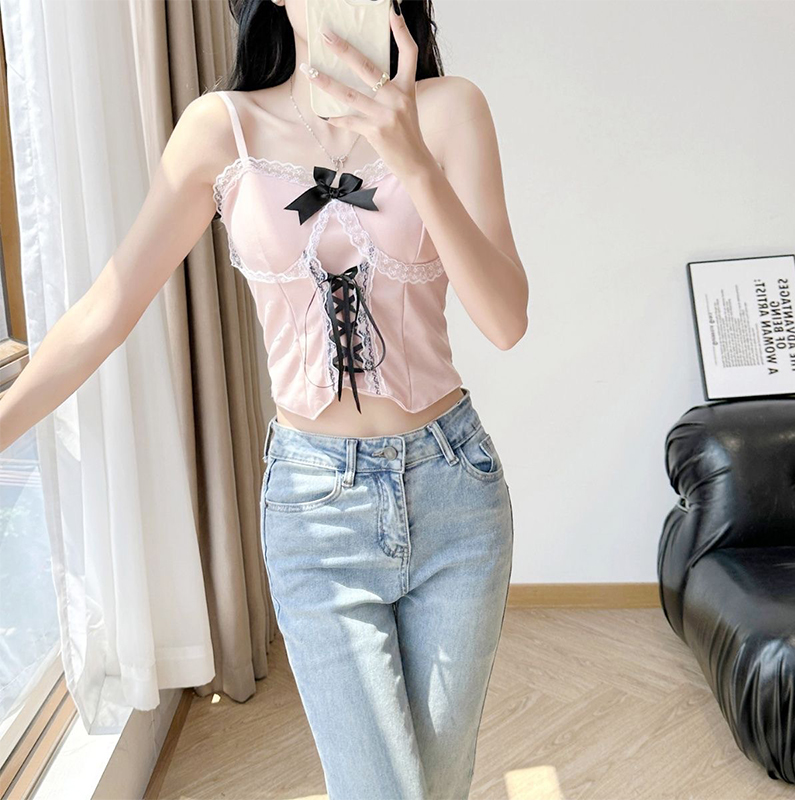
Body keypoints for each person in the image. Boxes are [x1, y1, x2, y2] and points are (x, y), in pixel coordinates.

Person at [0, 0, 528, 797]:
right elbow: (108, 307)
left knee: (439, 784)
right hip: (315, 511)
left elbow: (506, 320)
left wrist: (413, 161)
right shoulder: (222, 130)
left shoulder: (451, 110)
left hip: (454, 490)